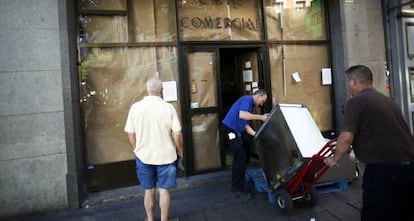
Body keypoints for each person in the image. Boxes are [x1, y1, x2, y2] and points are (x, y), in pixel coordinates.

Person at [323, 65, 414, 221]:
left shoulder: (356, 102)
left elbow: (345, 138)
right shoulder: (387, 101)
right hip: (409, 167)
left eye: (348, 83)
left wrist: (334, 159)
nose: (348, 87)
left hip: (383, 170)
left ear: (354, 81)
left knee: (375, 214)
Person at [124, 77, 183, 221]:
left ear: (148, 90)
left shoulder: (135, 107)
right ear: (161, 90)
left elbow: (130, 133)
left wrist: (136, 148)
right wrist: (179, 149)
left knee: (148, 190)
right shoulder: (168, 108)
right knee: (164, 190)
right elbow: (177, 133)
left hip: (144, 156)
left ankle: (150, 219)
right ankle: (164, 220)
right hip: (166, 156)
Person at [220, 89, 269, 200]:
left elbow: (246, 126)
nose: (262, 103)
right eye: (263, 100)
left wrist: (257, 135)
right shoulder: (247, 99)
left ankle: (238, 184)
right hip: (229, 130)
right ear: (258, 95)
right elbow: (243, 115)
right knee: (241, 157)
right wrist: (261, 117)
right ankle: (237, 189)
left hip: (234, 131)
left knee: (242, 155)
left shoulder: (250, 106)